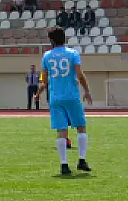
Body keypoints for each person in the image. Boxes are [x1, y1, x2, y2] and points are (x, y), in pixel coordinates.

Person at [37, 27, 93, 176]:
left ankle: (64, 164)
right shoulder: (73, 53)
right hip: (72, 96)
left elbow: (44, 80)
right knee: (81, 127)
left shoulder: (46, 56)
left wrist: (38, 94)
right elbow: (80, 75)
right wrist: (87, 91)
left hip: (55, 98)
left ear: (51, 40)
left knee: (61, 131)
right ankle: (81, 160)